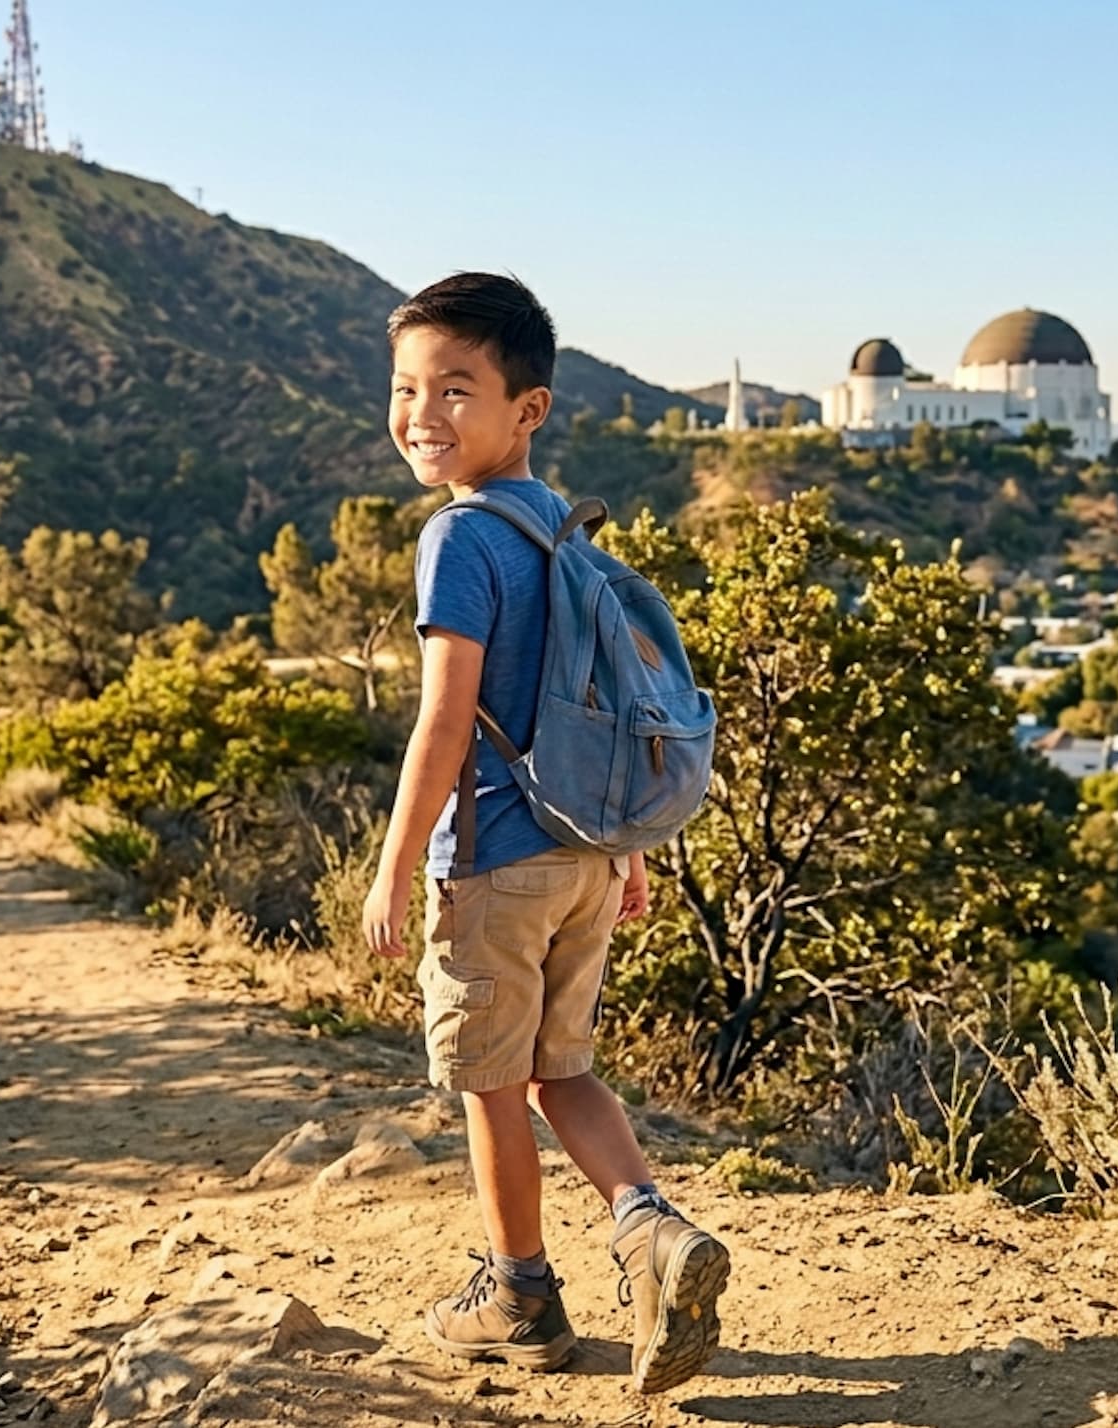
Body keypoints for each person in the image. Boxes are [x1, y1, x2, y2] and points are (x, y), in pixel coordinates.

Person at [360, 273, 728, 1395]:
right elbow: (604, 701)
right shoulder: (560, 526)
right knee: (561, 1071)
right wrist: (626, 849)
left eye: (455, 389)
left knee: (488, 1084)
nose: (423, 413)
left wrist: (391, 867)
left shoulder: (459, 539)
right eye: (406, 387)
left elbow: (441, 717)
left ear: (528, 407)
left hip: (495, 862)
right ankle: (651, 1228)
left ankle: (519, 1292)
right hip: (582, 858)